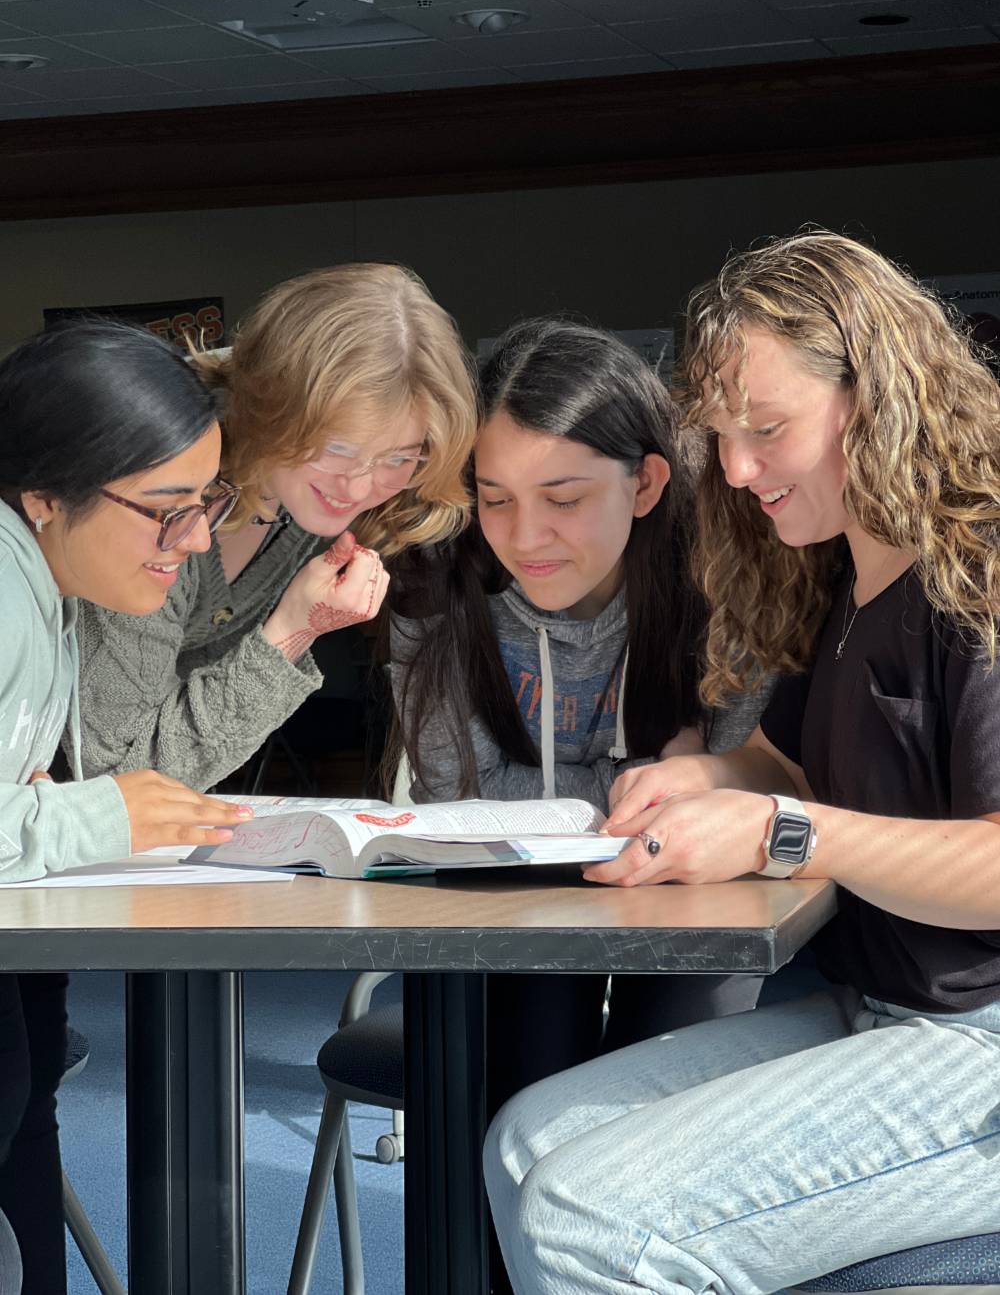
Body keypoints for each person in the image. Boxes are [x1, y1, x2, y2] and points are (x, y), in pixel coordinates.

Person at [483, 232, 1000, 1295]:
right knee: (528, 1140)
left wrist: (779, 829)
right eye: (720, 436)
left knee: (590, 1219)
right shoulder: (846, 574)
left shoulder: (976, 576)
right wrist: (711, 779)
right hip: (888, 1009)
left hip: (980, 1051)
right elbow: (788, 761)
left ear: (879, 396)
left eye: (766, 430)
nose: (734, 469)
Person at [391, 318, 770, 1106]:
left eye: (563, 498)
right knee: (513, 1088)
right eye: (494, 499)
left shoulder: (731, 576)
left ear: (647, 484)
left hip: (691, 899)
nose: (525, 538)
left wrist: (548, 789)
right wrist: (648, 774)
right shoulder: (435, 579)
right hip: (515, 899)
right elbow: (460, 803)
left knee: (667, 1104)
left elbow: (732, 798)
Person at [0, 319, 257, 1294]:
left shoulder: (39, 580)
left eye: (205, 503)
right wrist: (98, 817)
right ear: (42, 496)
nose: (193, 540)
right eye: (165, 510)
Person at [76, 263, 479, 792]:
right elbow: (116, 780)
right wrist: (293, 631)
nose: (358, 488)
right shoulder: (153, 488)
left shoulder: (305, 496)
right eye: (337, 448)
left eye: (399, 457)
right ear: (272, 407)